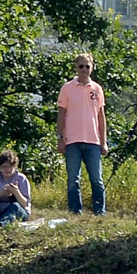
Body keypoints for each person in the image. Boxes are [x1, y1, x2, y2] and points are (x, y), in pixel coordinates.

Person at [55, 53, 107, 216]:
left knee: (97, 179)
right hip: (72, 140)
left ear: (92, 68)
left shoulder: (97, 89)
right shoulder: (67, 88)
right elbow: (61, 115)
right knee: (73, 179)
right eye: (81, 66)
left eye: (87, 66)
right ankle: (75, 211)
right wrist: (60, 139)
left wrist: (103, 141)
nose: (84, 69)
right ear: (76, 67)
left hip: (92, 140)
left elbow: (101, 117)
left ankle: (100, 211)